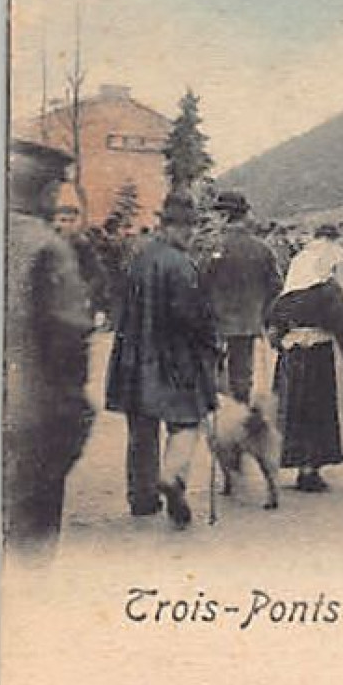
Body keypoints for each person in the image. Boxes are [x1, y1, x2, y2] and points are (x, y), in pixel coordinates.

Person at [103, 192, 218, 527]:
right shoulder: (181, 264)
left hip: (134, 356)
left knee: (141, 428)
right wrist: (211, 342)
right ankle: (171, 476)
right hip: (175, 357)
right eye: (190, 228)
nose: (192, 234)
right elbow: (190, 316)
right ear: (180, 228)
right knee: (186, 421)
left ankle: (142, 499)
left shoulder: (138, 257)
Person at [4, 140, 95, 554]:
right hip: (29, 418)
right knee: (31, 544)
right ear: (45, 192)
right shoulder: (46, 247)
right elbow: (69, 339)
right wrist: (73, 419)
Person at [268, 238, 343, 492]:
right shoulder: (328, 291)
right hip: (321, 358)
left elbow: (273, 329)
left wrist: (285, 344)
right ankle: (313, 468)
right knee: (320, 411)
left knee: (293, 411)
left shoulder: (287, 296)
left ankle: (301, 464)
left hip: (292, 358)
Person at [200, 190, 282, 402]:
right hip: (248, 321)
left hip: (213, 320)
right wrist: (263, 313)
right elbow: (275, 286)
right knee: (242, 373)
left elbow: (197, 282)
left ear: (225, 216)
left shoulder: (211, 246)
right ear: (244, 216)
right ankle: (240, 412)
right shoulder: (262, 248)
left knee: (212, 369)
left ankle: (217, 417)